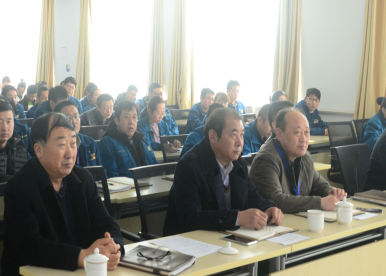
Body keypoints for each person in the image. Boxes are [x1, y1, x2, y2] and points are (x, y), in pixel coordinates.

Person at [0, 112, 124, 276]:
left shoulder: (82, 179)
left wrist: (113, 247)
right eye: (61, 145)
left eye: (73, 144)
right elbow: (31, 247)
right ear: (39, 150)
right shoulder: (20, 187)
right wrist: (82, 257)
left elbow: (107, 223)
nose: (70, 153)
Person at [163, 107, 283, 235]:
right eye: (233, 135)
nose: (240, 143)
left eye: (242, 135)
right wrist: (237, 218)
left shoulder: (238, 163)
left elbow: (253, 197)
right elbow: (190, 218)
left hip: (226, 239)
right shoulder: (189, 166)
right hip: (190, 242)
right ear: (213, 136)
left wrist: (268, 207)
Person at [249, 108, 345, 213]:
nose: (304, 139)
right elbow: (276, 200)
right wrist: (319, 203)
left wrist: (331, 192)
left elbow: (319, 185)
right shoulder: (266, 159)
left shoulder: (305, 157)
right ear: (279, 134)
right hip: (275, 221)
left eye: (307, 132)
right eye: (298, 132)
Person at [99, 100, 158, 178]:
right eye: (126, 117)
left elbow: (156, 168)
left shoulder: (143, 139)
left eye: (134, 117)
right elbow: (112, 176)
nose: (131, 122)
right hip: (128, 185)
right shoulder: (107, 143)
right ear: (117, 121)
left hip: (151, 184)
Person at [56, 100, 101, 167]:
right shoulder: (54, 145)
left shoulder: (91, 143)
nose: (74, 121)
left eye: (76, 116)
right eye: (68, 118)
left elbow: (99, 170)